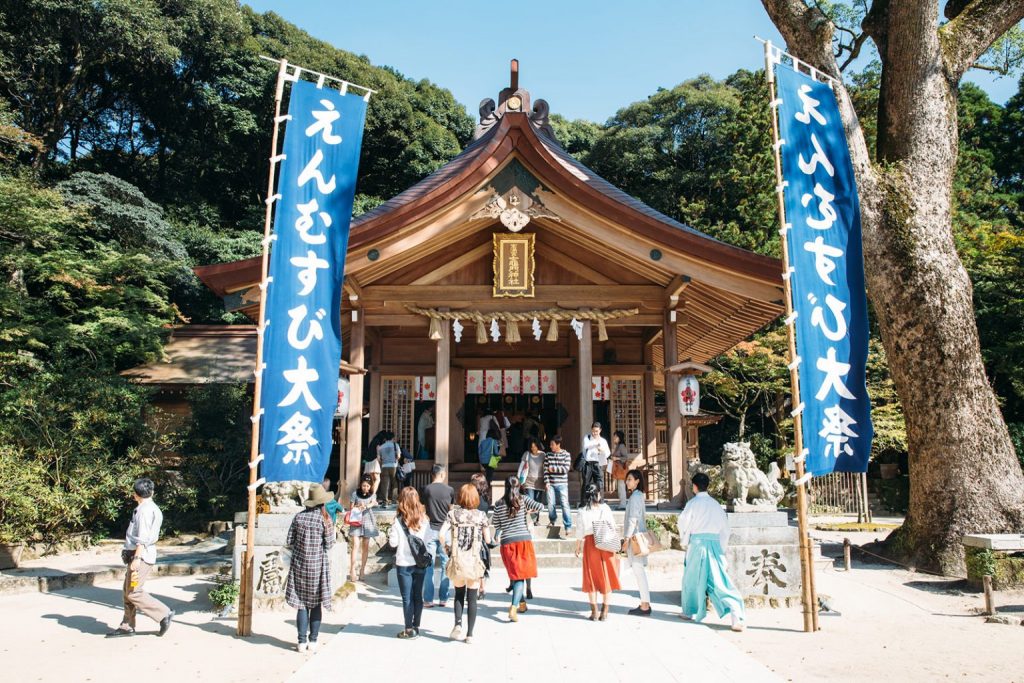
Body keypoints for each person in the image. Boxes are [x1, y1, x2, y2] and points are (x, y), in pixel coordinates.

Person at [678, 472, 746, 632]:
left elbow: (683, 523)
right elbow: (725, 529)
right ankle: (736, 615)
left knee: (691, 579)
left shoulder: (692, 504)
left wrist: (685, 540)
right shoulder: (716, 505)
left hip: (697, 545)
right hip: (714, 545)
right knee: (720, 580)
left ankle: (689, 611)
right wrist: (721, 547)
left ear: (694, 486)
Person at [106, 478, 173, 638]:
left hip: (141, 556)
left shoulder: (144, 511)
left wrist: (136, 558)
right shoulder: (151, 508)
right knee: (127, 591)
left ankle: (164, 613)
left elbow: (142, 537)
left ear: (135, 494)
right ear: (152, 492)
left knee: (133, 592)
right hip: (140, 555)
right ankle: (127, 625)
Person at [284, 484, 336, 652]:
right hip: (317, 566)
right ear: (322, 503)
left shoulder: (298, 518)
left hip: (299, 565)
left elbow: (289, 541)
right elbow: (329, 544)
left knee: (301, 604)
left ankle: (301, 641)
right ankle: (313, 640)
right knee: (315, 604)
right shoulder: (325, 520)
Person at [439, 484, 492, 643]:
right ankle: (470, 635)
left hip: (458, 560)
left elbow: (441, 534)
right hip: (474, 560)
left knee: (459, 594)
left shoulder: (452, 514)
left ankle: (458, 624)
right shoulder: (481, 516)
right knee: (472, 599)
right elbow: (488, 540)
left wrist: (447, 548)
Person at [492, 476, 546, 622]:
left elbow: (497, 524)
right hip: (522, 541)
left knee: (516, 575)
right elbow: (541, 506)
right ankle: (514, 607)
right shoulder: (523, 499)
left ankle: (522, 604)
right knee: (520, 577)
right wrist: (528, 510)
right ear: (518, 486)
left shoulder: (498, 503)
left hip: (507, 542)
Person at [388, 487, 430, 639]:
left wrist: (391, 532)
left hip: (404, 563)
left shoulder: (398, 522)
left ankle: (408, 628)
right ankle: (416, 626)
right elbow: (428, 540)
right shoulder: (424, 519)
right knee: (418, 596)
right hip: (420, 563)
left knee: (407, 598)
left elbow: (393, 543)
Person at [575, 484, 620, 621]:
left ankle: (594, 612)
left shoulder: (582, 511)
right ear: (597, 495)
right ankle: (605, 612)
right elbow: (612, 525)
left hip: (590, 544)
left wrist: (577, 547)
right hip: (606, 542)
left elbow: (579, 533)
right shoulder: (605, 508)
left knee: (591, 577)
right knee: (606, 576)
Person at [420, 464, 454, 608]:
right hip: (445, 531)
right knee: (446, 564)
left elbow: (422, 508)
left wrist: (427, 517)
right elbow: (451, 511)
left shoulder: (426, 489)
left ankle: (428, 599)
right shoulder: (450, 490)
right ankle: (443, 598)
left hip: (431, 528)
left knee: (429, 565)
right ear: (442, 474)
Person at [621, 469, 652, 616]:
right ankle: (644, 603)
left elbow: (633, 519)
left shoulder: (634, 497)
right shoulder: (639, 496)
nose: (627, 482)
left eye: (630, 479)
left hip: (635, 538)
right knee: (639, 571)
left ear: (637, 481)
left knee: (638, 571)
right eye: (627, 479)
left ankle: (645, 604)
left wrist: (626, 539)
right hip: (638, 536)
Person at [347, 476, 379, 582]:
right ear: (360, 485)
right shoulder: (355, 494)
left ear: (370, 486)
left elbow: (373, 503)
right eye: (364, 485)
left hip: (368, 520)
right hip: (356, 520)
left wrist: (365, 506)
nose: (365, 488)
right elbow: (350, 507)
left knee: (365, 546)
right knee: (355, 545)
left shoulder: (372, 495)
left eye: (368, 486)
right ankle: (352, 570)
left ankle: (362, 570)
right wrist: (357, 506)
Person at [470, 472, 493, 599]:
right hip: (482, 533)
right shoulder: (485, 499)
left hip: (471, 532)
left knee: (473, 561)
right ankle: (482, 586)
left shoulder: (473, 499)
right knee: (481, 561)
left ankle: (475, 586)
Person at [543, 435, 572, 535]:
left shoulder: (566, 455)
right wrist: (546, 482)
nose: (551, 446)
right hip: (551, 483)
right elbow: (545, 470)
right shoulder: (548, 455)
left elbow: (566, 469)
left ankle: (568, 526)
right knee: (551, 504)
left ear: (558, 444)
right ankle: (552, 520)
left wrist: (554, 469)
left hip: (562, 483)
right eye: (550, 444)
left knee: (565, 504)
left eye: (552, 444)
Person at [519, 436, 547, 523]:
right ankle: (531, 520)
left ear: (538, 446)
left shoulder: (543, 455)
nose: (533, 448)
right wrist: (519, 480)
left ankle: (536, 519)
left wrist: (547, 481)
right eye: (531, 447)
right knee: (530, 502)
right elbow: (521, 467)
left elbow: (546, 468)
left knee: (537, 502)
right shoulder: (526, 454)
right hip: (529, 482)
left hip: (540, 482)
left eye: (534, 446)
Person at [581, 422, 611, 496]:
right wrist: (596, 443)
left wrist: (602, 451)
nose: (594, 433)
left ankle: (600, 502)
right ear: (591, 430)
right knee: (586, 483)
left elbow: (608, 453)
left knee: (599, 483)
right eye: (593, 431)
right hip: (588, 463)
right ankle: (584, 503)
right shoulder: (587, 437)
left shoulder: (603, 441)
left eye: (596, 431)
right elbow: (585, 446)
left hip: (598, 463)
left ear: (600, 430)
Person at [609, 430, 635, 510]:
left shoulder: (621, 446)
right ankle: (622, 504)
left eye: (615, 436)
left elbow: (625, 458)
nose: (614, 438)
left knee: (621, 487)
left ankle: (623, 504)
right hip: (618, 469)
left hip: (621, 469)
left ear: (619, 438)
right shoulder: (618, 446)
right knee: (620, 487)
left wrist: (616, 458)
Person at [377, 431, 400, 506]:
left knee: (385, 483)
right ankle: (394, 499)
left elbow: (379, 458)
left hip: (384, 466)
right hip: (393, 466)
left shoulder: (381, 447)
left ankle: (385, 500)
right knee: (394, 483)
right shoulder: (395, 445)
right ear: (393, 438)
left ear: (385, 438)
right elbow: (399, 456)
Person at [364, 429, 386, 496]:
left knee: (371, 479)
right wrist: (380, 461)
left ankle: (369, 493)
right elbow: (378, 453)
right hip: (374, 461)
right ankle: (373, 494)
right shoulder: (378, 442)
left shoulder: (373, 441)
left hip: (368, 462)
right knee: (377, 479)